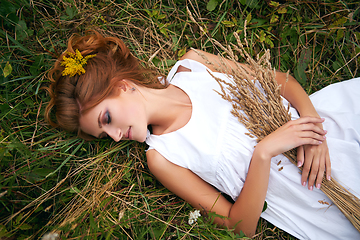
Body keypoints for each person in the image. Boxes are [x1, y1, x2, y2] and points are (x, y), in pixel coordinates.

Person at [45, 31, 360, 239]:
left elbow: (280, 81)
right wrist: (263, 153)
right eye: (104, 134)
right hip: (313, 197)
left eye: (107, 118)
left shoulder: (194, 64)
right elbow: (241, 227)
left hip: (331, 128)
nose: (114, 137)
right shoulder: (163, 157)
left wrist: (312, 126)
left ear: (122, 87)